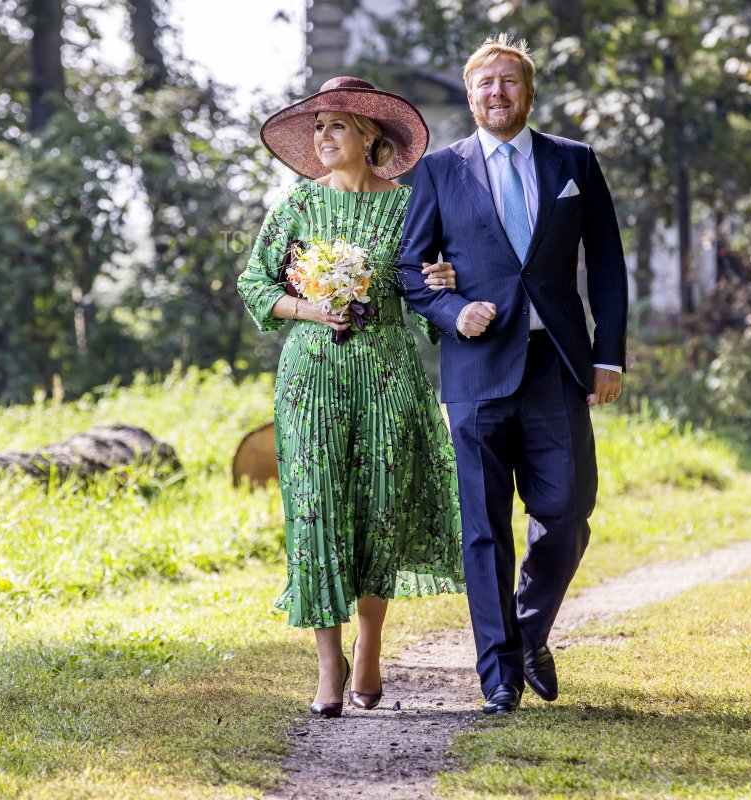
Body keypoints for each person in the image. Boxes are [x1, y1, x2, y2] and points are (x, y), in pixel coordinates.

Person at [397, 34, 629, 714]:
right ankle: (498, 674)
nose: (496, 92)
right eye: (484, 83)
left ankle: (526, 634)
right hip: (475, 372)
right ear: (470, 97)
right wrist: (451, 310)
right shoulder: (440, 170)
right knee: (485, 528)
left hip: (558, 368)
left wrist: (607, 354)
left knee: (566, 514)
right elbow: (412, 269)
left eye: (509, 81)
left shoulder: (573, 163)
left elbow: (608, 265)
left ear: (529, 93)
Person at [238, 76, 465, 718]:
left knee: (379, 511)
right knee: (318, 512)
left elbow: (424, 304)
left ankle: (369, 648)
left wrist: (443, 281)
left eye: (336, 125)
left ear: (370, 136)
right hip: (311, 380)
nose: (323, 137)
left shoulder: (409, 207)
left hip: (389, 376)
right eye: (317, 127)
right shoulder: (297, 207)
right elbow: (255, 284)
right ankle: (327, 668)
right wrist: (312, 308)